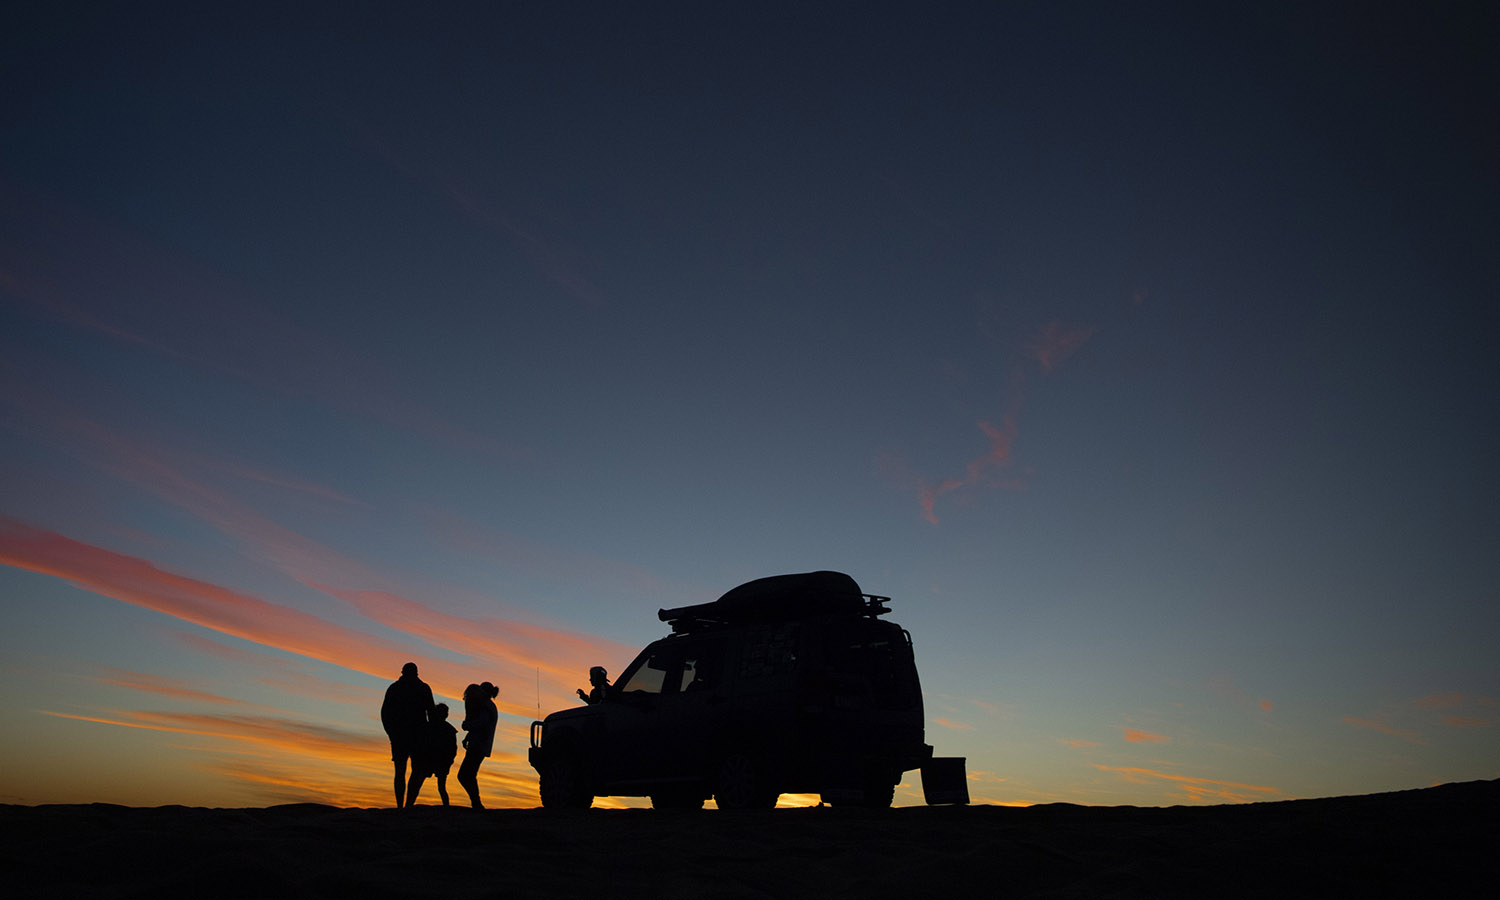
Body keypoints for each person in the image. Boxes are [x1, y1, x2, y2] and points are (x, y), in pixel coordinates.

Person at [382, 662, 435, 808]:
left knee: (403, 771)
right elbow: (431, 713)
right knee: (413, 771)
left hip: (405, 736)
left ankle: (403, 805)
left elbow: (385, 713)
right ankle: (407, 805)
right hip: (413, 735)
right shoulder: (422, 688)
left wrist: (391, 732)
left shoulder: (395, 688)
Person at [405, 702, 459, 808]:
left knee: (422, 783)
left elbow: (452, 749)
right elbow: (453, 749)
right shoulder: (446, 729)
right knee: (439, 787)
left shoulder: (431, 727)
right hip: (434, 759)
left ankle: (408, 805)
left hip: (435, 759)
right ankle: (445, 807)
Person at [457, 681, 499, 809]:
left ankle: (476, 802)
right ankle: (475, 802)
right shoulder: (488, 706)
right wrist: (468, 737)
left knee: (465, 775)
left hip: (479, 744)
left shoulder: (486, 706)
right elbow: (481, 724)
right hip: (479, 744)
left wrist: (467, 726)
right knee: (468, 774)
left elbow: (482, 724)